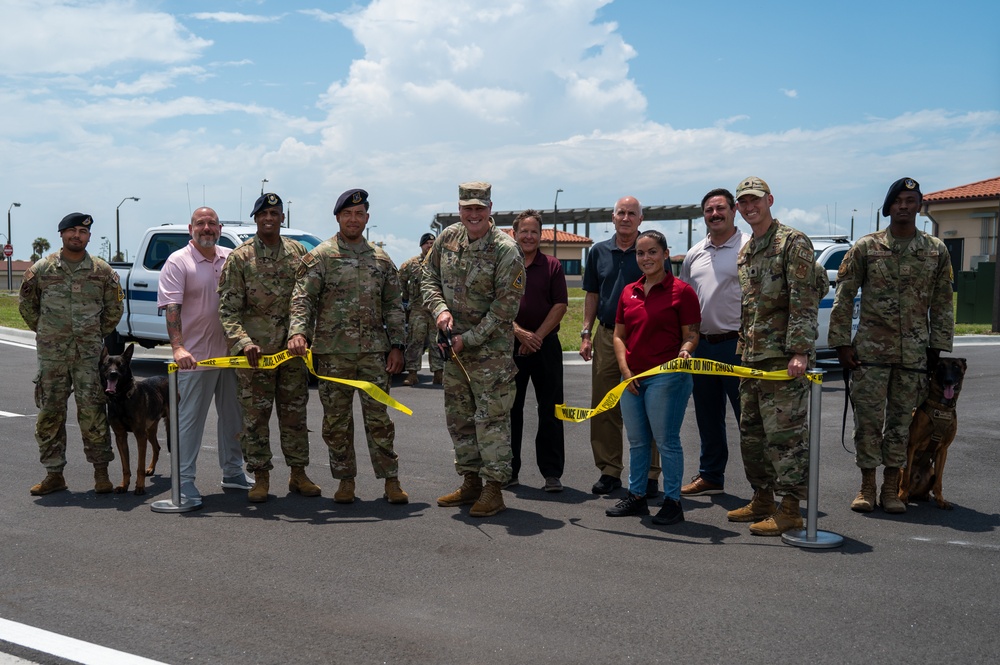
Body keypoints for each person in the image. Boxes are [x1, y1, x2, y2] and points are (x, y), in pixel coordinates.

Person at [830, 177, 954, 514]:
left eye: (910, 200)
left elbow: (943, 302)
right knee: (868, 423)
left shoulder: (935, 250)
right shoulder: (866, 247)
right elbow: (844, 295)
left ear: (918, 206)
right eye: (898, 200)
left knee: (901, 424)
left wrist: (936, 349)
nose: (904, 206)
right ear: (889, 206)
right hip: (869, 353)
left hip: (914, 355)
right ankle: (866, 486)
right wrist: (841, 343)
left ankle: (890, 488)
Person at [287, 188, 408, 505]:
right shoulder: (322, 257)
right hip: (331, 356)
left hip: (372, 355)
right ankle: (345, 481)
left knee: (380, 421)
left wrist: (397, 346)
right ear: (338, 217)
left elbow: (394, 306)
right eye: (347, 214)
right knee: (337, 424)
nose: (353, 219)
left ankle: (391, 481)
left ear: (367, 218)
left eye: (359, 214)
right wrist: (298, 332)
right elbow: (302, 300)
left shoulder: (381, 260)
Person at [422, 181, 524, 517]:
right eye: (468, 208)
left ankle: (493, 489)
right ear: (459, 208)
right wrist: (441, 311)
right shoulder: (447, 238)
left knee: (491, 420)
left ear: (490, 208)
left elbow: (505, 308)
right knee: (460, 419)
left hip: (490, 354)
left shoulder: (505, 249)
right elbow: (429, 278)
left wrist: (471, 339)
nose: (474, 214)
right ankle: (471, 482)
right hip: (454, 349)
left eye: (480, 208)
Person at [728, 176, 822, 536]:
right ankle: (763, 498)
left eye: (755, 200)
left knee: (785, 437)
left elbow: (803, 298)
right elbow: (749, 307)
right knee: (752, 434)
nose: (750, 207)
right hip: (752, 358)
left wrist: (799, 351)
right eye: (743, 203)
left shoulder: (792, 242)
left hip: (782, 359)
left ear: (769, 200)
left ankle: (791, 510)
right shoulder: (748, 248)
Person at [218, 193, 320, 503]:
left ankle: (298, 474)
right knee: (255, 419)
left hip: (292, 355)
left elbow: (306, 299)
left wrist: (301, 334)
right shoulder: (240, 258)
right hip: (255, 358)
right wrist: (244, 343)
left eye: (274, 213)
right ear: (255, 219)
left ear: (282, 218)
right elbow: (227, 311)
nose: (269, 219)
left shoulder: (297, 253)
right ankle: (260, 477)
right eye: (263, 214)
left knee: (294, 416)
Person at [20, 212, 123, 496]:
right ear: (62, 234)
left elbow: (114, 310)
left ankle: (101, 473)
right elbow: (28, 307)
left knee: (93, 414)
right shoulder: (42, 269)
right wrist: (47, 331)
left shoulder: (102, 271)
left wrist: (92, 334)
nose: (77, 235)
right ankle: (54, 474)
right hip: (52, 356)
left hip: (90, 356)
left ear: (89, 237)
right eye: (72, 231)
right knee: (50, 413)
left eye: (83, 232)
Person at [158, 207, 251, 505]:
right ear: (190, 228)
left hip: (230, 355)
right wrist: (178, 347)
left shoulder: (230, 258)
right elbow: (172, 308)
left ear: (220, 228)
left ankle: (234, 471)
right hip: (195, 358)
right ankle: (184, 481)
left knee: (234, 417)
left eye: (212, 223)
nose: (207, 228)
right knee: (189, 421)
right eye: (201, 223)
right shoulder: (178, 262)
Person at [606, 230, 700, 524]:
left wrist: (686, 350)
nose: (645, 258)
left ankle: (673, 502)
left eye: (652, 252)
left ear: (664, 254)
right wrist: (625, 372)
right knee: (636, 441)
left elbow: (692, 334)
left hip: (667, 378)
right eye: (640, 253)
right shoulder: (628, 292)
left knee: (666, 441)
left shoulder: (682, 291)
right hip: (633, 377)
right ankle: (636, 497)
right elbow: (619, 336)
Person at [580, 196, 661, 497]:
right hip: (606, 334)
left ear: (641, 219)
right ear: (612, 218)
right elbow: (591, 294)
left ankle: (651, 474)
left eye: (632, 214)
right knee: (604, 405)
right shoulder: (598, 252)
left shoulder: (650, 250)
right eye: (621, 213)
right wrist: (586, 332)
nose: (626, 218)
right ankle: (609, 470)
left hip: (645, 335)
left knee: (649, 405)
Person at [679, 189, 750, 497]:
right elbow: (685, 300)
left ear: (733, 210)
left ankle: (761, 487)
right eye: (709, 210)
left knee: (749, 420)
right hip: (703, 345)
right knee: (708, 416)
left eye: (721, 208)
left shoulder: (750, 247)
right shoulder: (694, 253)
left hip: (738, 345)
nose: (715, 214)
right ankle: (710, 475)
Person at [510, 210, 568, 492]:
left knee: (551, 410)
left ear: (541, 234)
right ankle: (508, 471)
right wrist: (519, 332)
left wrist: (536, 337)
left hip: (546, 346)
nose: (529, 236)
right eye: (524, 231)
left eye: (534, 231)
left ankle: (552, 473)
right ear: (514, 233)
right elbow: (492, 305)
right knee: (510, 409)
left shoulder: (553, 266)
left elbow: (560, 305)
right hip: (510, 346)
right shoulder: (504, 265)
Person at [399, 232, 445, 386]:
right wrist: (405, 300)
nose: (430, 246)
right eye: (427, 243)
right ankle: (412, 374)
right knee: (414, 342)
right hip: (417, 310)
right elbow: (400, 282)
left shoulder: (441, 262)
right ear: (421, 245)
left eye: (433, 243)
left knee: (436, 342)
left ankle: (439, 374)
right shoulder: (410, 264)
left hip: (435, 311)